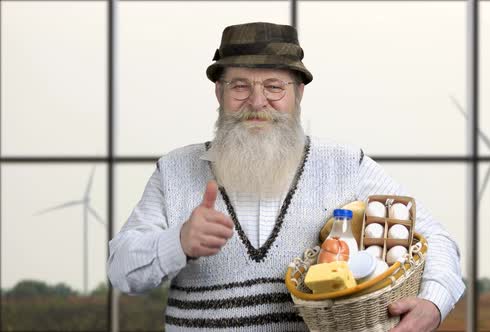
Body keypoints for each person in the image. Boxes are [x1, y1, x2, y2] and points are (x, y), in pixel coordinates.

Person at [108, 22, 465, 332]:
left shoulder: (345, 164)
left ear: (298, 93)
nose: (257, 101)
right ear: (219, 92)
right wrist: (179, 242)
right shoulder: (174, 170)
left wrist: (433, 303)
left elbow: (436, 240)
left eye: (274, 86)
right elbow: (121, 271)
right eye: (240, 86)